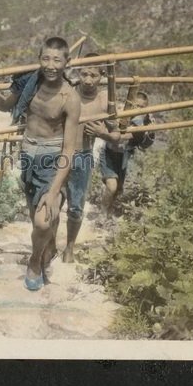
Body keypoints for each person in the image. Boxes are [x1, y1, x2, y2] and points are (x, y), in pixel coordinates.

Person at [0, 37, 81, 291]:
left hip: (52, 162)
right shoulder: (30, 83)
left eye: (57, 59)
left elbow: (69, 150)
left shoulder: (69, 98)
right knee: (38, 221)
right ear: (39, 59)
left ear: (67, 62)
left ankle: (33, 261)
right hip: (28, 158)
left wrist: (53, 192)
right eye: (45, 59)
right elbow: (3, 105)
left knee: (42, 221)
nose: (51, 65)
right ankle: (47, 246)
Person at [61, 54, 121, 263]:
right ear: (78, 73)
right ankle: (48, 244)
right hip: (58, 154)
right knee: (51, 201)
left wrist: (102, 132)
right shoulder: (67, 92)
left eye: (93, 75)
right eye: (84, 74)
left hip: (83, 156)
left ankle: (69, 247)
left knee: (76, 207)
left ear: (102, 76)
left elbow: (117, 136)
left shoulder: (106, 99)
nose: (87, 80)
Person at [99, 91, 155, 217]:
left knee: (118, 190)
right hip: (109, 153)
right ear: (130, 105)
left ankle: (109, 211)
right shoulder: (121, 112)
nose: (138, 109)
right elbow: (113, 133)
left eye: (142, 107)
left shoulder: (145, 121)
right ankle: (102, 212)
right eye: (136, 106)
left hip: (123, 156)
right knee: (112, 186)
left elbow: (145, 143)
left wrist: (149, 131)